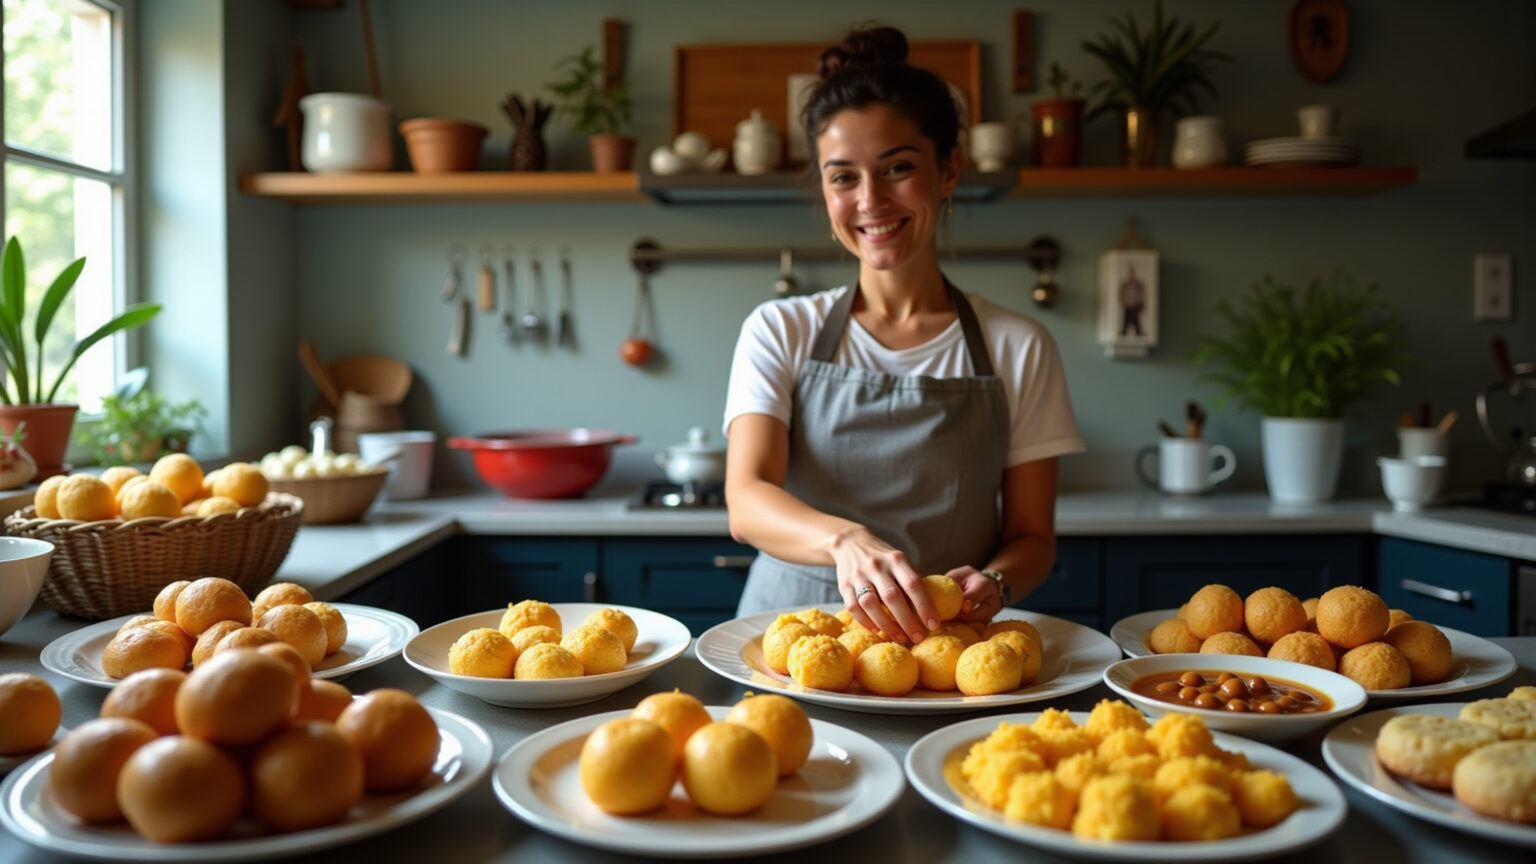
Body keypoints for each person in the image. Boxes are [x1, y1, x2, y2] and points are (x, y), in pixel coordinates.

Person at [722, 25, 1085, 644]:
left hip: (943, 647)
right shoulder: (781, 328)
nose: (871, 200)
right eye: (843, 177)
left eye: (897, 167)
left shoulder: (1018, 346)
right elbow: (747, 498)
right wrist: (846, 542)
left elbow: (1032, 538)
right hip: (789, 640)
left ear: (949, 170)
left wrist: (995, 585)